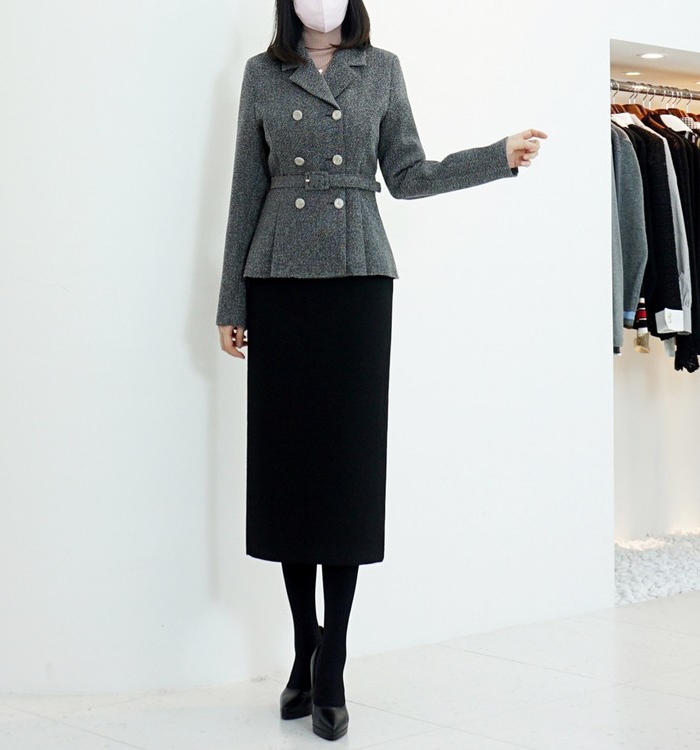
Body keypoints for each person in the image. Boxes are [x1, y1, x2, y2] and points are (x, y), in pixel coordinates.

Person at [215, 0, 546, 741]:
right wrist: (231, 301)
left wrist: (495, 157)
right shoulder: (263, 73)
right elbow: (245, 187)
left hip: (358, 276)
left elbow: (408, 175)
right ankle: (303, 645)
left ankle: (332, 658)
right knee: (290, 473)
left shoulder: (382, 69)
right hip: (279, 279)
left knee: (347, 472)